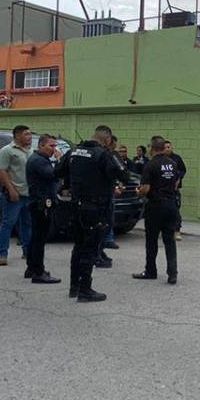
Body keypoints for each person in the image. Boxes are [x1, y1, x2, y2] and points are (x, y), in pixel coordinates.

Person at [66, 124, 127, 303]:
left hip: (76, 206)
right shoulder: (104, 154)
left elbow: (58, 172)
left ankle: (74, 287)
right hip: (96, 208)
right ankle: (85, 289)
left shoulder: (74, 152)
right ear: (107, 139)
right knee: (90, 249)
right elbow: (124, 175)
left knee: (78, 247)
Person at [133, 135, 182, 284]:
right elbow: (175, 184)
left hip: (155, 206)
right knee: (169, 241)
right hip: (171, 205)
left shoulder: (150, 165)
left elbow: (146, 188)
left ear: (152, 148)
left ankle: (150, 271)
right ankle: (172, 273)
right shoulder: (172, 164)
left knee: (152, 241)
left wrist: (138, 192)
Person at [0, 124, 33, 267]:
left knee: (27, 224)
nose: (30, 137)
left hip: (29, 194)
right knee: (8, 223)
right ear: (17, 136)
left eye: (30, 134)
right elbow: (1, 171)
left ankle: (28, 251)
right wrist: (11, 189)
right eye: (26, 134)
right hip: (14, 194)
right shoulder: (7, 151)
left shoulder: (31, 151)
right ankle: (2, 253)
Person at [24, 133, 61, 284]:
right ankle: (38, 272)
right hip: (41, 203)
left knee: (37, 237)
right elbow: (53, 175)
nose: (54, 149)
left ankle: (32, 268)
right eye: (51, 146)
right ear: (41, 145)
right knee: (39, 239)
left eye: (55, 146)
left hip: (40, 201)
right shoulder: (39, 161)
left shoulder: (41, 159)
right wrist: (60, 160)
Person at [163, 139, 188, 241]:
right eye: (165, 147)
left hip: (174, 190)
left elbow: (183, 170)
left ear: (172, 148)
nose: (167, 149)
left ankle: (177, 231)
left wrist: (179, 178)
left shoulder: (177, 158)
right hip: (163, 190)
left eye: (169, 147)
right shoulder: (161, 159)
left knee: (175, 211)